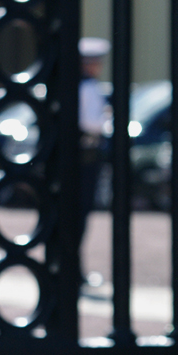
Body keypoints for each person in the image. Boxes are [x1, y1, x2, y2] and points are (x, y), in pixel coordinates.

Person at [79, 36, 111, 258]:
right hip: (86, 154)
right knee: (80, 211)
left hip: (79, 153)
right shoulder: (89, 86)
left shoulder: (79, 85)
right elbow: (92, 122)